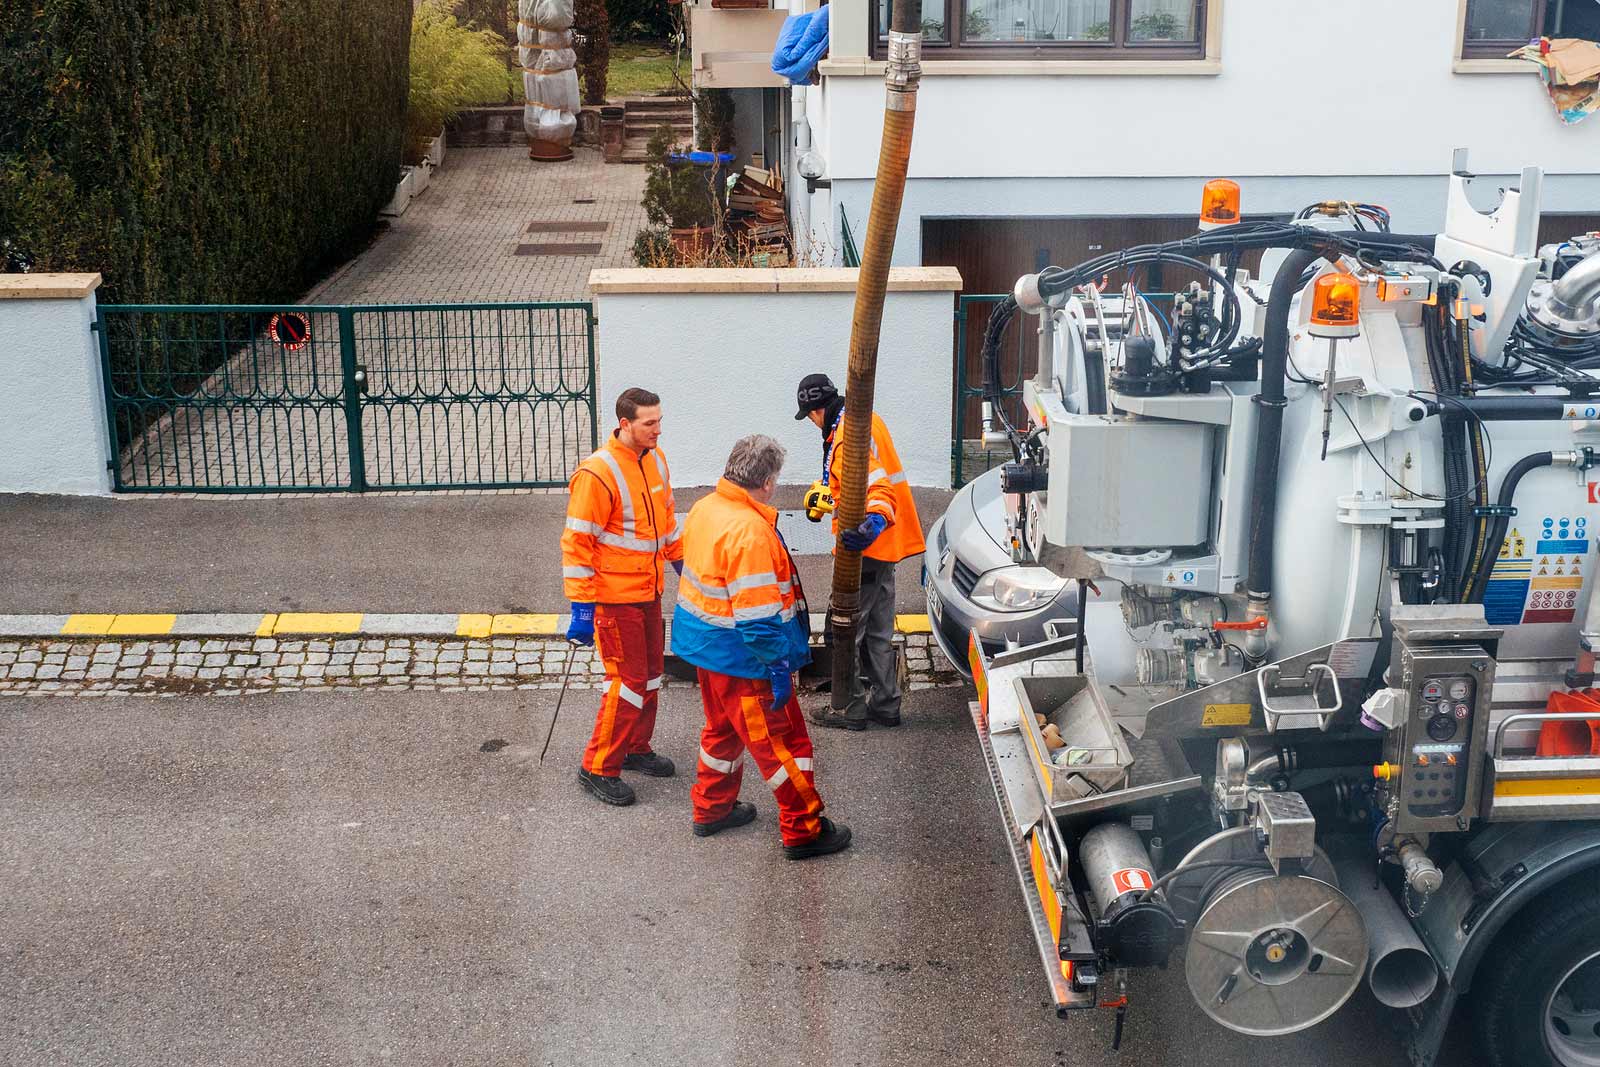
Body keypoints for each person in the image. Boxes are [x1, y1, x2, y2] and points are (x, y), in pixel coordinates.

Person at [671, 434, 852, 860]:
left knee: (722, 732)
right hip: (746, 661)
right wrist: (776, 665)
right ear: (767, 482)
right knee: (782, 745)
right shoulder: (750, 531)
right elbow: (757, 616)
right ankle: (803, 828)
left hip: (708, 650)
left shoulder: (705, 509)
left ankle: (711, 807)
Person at [561, 387, 683, 807]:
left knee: (649, 676)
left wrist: (683, 564)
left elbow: (666, 521)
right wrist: (581, 606)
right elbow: (577, 543)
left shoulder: (656, 460)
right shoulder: (597, 474)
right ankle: (597, 766)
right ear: (625, 424)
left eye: (660, 421)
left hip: (648, 592)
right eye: (650, 423)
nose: (658, 430)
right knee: (627, 683)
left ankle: (634, 747)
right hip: (614, 600)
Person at [794, 373, 925, 731]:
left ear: (815, 411)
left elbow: (877, 486)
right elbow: (864, 479)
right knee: (880, 632)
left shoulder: (844, 439)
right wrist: (828, 495)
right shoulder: (866, 419)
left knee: (844, 630)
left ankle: (848, 706)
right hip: (884, 551)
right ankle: (885, 704)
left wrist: (875, 521)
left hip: (862, 552)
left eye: (808, 417)